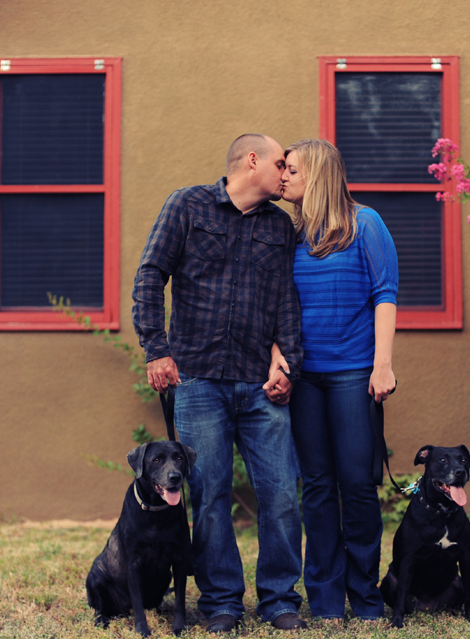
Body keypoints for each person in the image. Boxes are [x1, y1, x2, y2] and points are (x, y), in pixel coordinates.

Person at [132, 134, 307, 633]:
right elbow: (150, 276)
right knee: (208, 494)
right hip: (199, 380)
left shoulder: (280, 227)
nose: (286, 174)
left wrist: (287, 364)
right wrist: (156, 348)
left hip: (261, 383)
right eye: (280, 164)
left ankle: (279, 600)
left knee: (281, 493)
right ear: (252, 162)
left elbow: (286, 303)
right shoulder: (187, 206)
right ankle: (221, 601)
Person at [273, 138, 398, 623]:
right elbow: (277, 306)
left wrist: (381, 365)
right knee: (318, 488)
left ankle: (365, 597)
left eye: (292, 170)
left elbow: (385, 294)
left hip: (352, 375)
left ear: (319, 174)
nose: (282, 177)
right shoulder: (290, 233)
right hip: (305, 378)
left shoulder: (365, 224)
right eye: (281, 169)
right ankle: (325, 601)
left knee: (358, 486)